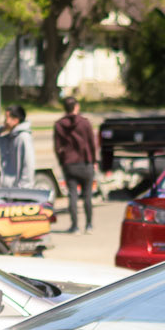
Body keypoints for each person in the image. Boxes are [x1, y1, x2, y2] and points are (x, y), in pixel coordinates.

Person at [53, 92, 97, 233]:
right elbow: (92, 143)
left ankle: (75, 226)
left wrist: (62, 161)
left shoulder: (59, 125)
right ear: (76, 106)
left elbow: (57, 147)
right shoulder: (85, 123)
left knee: (72, 195)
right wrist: (94, 160)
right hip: (85, 163)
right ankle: (89, 225)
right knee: (87, 196)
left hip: (69, 163)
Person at [0, 103, 38, 198]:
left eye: (7, 118)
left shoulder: (23, 137)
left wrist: (23, 188)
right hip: (8, 189)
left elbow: (28, 164)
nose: (5, 121)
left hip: (20, 191)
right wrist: (2, 128)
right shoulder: (8, 138)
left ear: (16, 120)